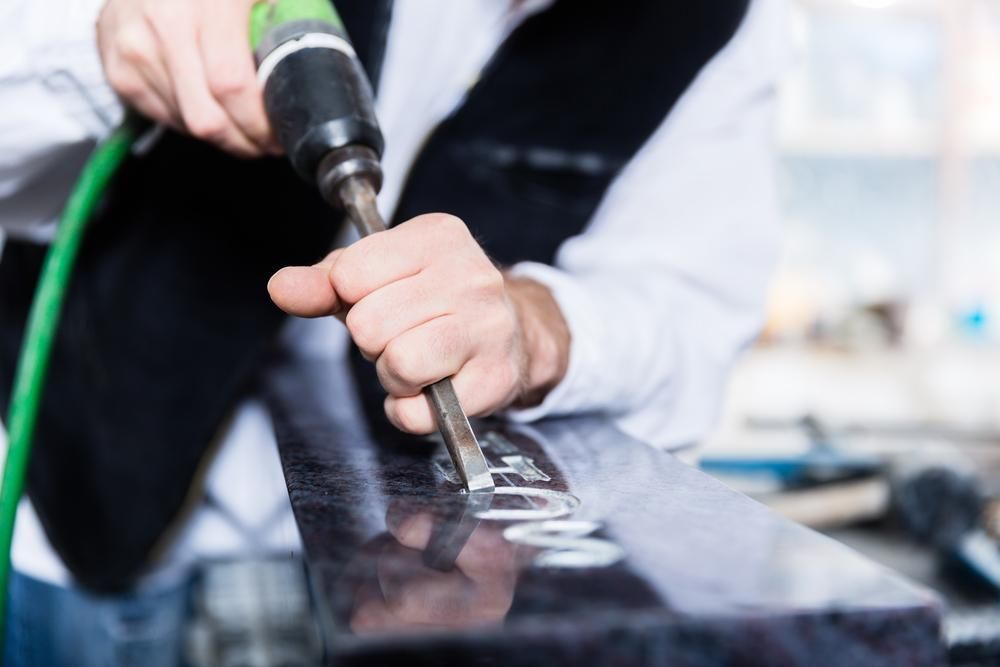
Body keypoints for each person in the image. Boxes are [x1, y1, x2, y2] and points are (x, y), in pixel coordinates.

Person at [0, 0, 784, 664]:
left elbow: (688, 313)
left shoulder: (718, 22)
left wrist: (532, 325)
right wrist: (96, 31)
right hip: (90, 527)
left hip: (406, 572)